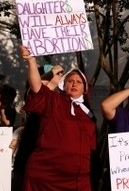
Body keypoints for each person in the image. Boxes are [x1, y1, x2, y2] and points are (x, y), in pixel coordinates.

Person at [20, 46, 97, 191]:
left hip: (78, 180)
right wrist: (31, 60)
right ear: (63, 84)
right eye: (70, 81)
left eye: (79, 82)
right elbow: (37, 86)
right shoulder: (53, 100)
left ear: (85, 88)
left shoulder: (89, 114)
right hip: (46, 177)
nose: (74, 84)